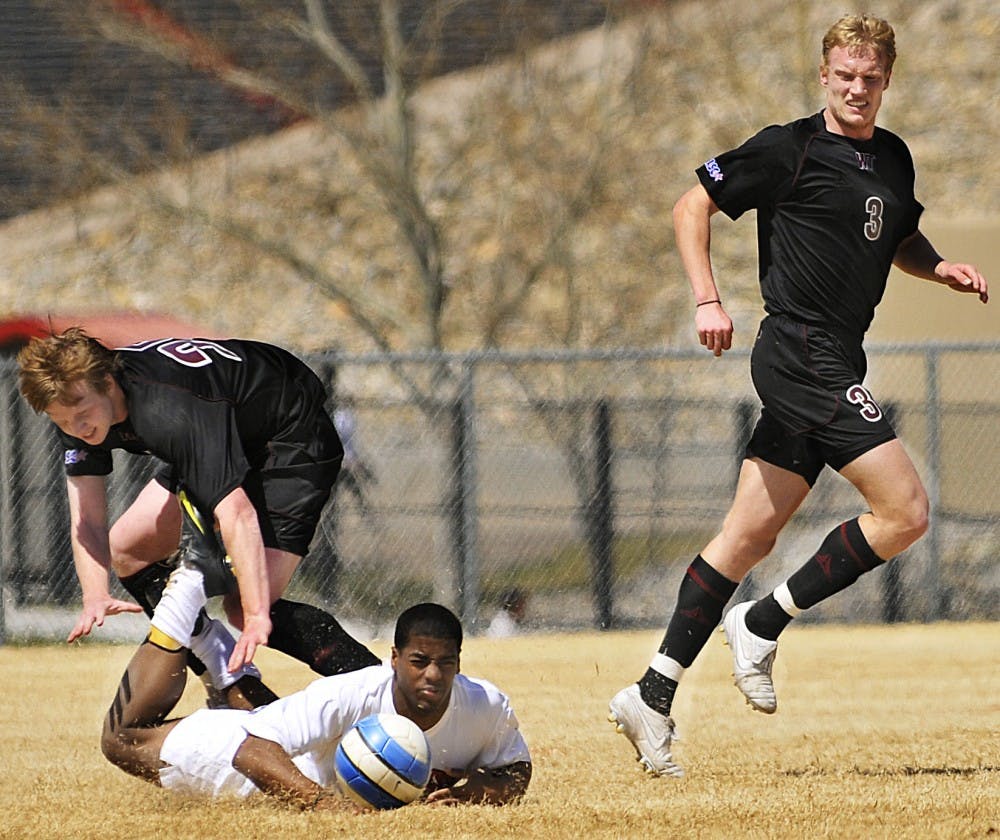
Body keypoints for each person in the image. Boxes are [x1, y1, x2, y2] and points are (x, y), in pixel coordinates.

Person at [609, 13, 988, 779]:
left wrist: (938, 266)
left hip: (835, 355)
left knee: (745, 538)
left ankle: (650, 693)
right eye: (844, 75)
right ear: (824, 75)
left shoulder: (892, 157)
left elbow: (897, 233)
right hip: (799, 351)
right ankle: (762, 620)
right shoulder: (790, 147)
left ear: (887, 79)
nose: (857, 88)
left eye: (871, 77)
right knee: (906, 512)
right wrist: (706, 299)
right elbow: (692, 206)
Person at [16, 329, 380, 691]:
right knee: (127, 550)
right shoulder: (75, 402)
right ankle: (228, 679)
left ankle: (379, 688)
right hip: (225, 427)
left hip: (288, 434)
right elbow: (88, 520)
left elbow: (237, 513)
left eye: (81, 414)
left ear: (109, 383)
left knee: (243, 606)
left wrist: (255, 615)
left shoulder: (167, 412)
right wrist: (95, 593)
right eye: (61, 421)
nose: (75, 429)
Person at [101, 602, 532, 809]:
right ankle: (182, 606)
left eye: (446, 663)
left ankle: (220, 663)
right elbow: (251, 750)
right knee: (124, 739)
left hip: (291, 743)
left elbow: (515, 770)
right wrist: (324, 804)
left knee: (285, 725)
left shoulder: (486, 706)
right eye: (419, 662)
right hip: (259, 768)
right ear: (395, 659)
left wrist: (468, 795)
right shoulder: (354, 692)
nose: (433, 676)